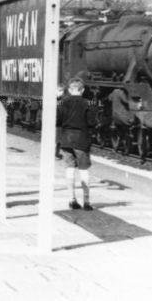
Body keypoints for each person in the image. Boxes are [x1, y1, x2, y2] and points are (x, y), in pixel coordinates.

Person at [57, 77, 96, 211]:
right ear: (83, 90)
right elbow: (91, 122)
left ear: (69, 89)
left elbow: (58, 121)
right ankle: (86, 201)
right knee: (84, 170)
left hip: (66, 139)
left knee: (70, 169)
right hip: (82, 140)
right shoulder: (88, 103)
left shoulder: (63, 102)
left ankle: (72, 199)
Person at [56, 83, 66, 159]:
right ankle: (56, 153)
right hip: (57, 123)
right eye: (59, 90)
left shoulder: (62, 101)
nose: (60, 92)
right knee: (58, 139)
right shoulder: (58, 101)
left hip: (59, 123)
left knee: (58, 140)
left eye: (61, 91)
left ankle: (56, 153)